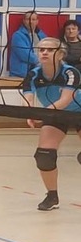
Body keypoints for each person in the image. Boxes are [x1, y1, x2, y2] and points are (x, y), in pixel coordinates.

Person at [22, 37, 81, 212]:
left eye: (49, 50)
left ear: (60, 54)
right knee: (44, 155)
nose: (45, 52)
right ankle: (52, 196)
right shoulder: (34, 73)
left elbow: (65, 100)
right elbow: (28, 97)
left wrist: (43, 113)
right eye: (41, 50)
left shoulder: (70, 72)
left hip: (78, 111)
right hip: (55, 114)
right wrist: (30, 113)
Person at [9, 11, 45, 78]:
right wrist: (43, 61)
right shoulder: (18, 35)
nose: (31, 22)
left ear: (37, 21)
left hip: (38, 75)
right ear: (24, 21)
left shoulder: (42, 36)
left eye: (33, 19)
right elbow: (25, 55)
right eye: (28, 19)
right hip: (20, 76)